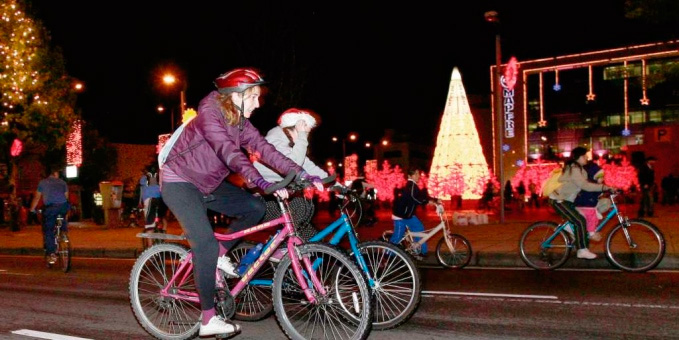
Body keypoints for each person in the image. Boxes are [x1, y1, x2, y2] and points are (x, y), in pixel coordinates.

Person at [158, 67, 323, 337]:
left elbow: (264, 149)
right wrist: (262, 182)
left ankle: (220, 256)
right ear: (237, 95)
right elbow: (230, 153)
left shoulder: (241, 123)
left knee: (255, 208)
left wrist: (302, 174)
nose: (258, 104)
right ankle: (209, 319)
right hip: (180, 182)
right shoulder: (210, 116)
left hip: (209, 183)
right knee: (205, 245)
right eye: (254, 97)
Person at [253, 108, 329, 240]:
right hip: (260, 199)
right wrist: (302, 137)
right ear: (294, 128)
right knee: (300, 207)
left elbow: (308, 165)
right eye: (305, 133)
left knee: (309, 236)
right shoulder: (273, 140)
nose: (307, 138)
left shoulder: (289, 145)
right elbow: (292, 165)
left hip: (276, 196)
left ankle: (300, 253)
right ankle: (283, 250)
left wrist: (335, 184)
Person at [549, 147, 615, 260]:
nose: (587, 158)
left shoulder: (580, 169)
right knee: (580, 220)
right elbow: (585, 185)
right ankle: (582, 250)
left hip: (567, 201)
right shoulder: (574, 169)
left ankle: (571, 230)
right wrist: (604, 187)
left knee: (580, 219)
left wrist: (604, 187)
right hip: (558, 200)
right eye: (584, 156)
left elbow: (588, 183)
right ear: (578, 157)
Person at [390, 168, 441, 260]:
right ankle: (387, 255)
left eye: (418, 174)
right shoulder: (411, 185)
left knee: (419, 228)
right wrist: (427, 202)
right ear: (410, 176)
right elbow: (415, 198)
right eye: (416, 174)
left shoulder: (414, 186)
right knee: (398, 236)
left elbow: (422, 196)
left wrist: (434, 200)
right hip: (401, 215)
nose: (418, 176)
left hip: (408, 215)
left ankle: (421, 251)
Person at [29, 167, 70, 265]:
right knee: (62, 218)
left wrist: (32, 210)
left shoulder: (42, 183)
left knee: (48, 230)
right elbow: (66, 197)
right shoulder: (63, 182)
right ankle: (63, 233)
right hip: (63, 207)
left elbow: (37, 197)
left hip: (51, 208)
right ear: (55, 173)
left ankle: (51, 254)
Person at [573, 160, 609, 242]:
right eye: (600, 176)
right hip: (585, 206)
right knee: (592, 216)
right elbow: (596, 191)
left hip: (584, 205)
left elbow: (600, 190)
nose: (602, 178)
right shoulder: (590, 185)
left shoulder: (592, 184)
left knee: (594, 215)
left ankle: (585, 231)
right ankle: (591, 233)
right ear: (594, 176)